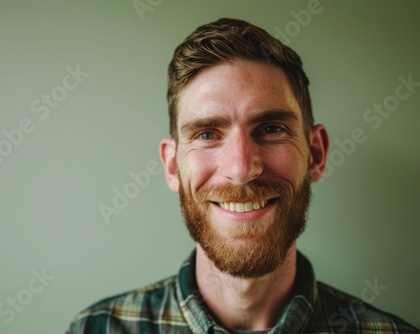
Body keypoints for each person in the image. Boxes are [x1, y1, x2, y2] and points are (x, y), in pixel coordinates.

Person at [66, 18, 419, 334]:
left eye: (270, 128)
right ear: (173, 166)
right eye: (206, 134)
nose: (240, 168)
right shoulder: (97, 329)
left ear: (316, 154)